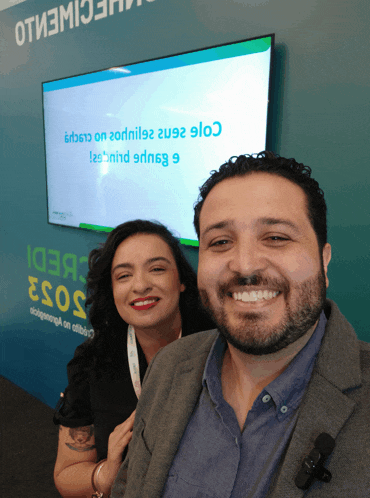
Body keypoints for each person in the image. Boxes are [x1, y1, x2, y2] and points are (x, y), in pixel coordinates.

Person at [111, 152, 370, 498]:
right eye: (220, 242)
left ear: (323, 262)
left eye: (276, 237)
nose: (245, 265)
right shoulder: (170, 366)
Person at [53, 219, 214, 498]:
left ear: (182, 281)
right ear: (112, 291)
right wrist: (106, 474)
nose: (140, 285)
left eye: (157, 269)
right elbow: (66, 475)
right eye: (124, 276)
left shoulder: (221, 348)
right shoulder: (93, 362)